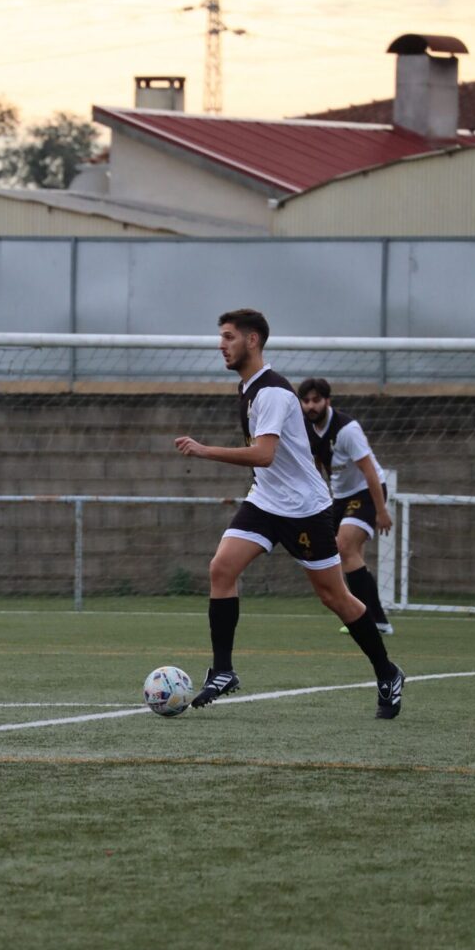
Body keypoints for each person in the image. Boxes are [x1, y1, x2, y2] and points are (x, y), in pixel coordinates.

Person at [174, 308, 404, 719]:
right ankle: (223, 670)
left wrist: (204, 450)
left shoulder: (273, 393)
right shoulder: (249, 388)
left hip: (304, 510)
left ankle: (387, 673)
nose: (221, 345)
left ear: (252, 340)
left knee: (334, 597)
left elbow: (264, 454)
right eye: (221, 337)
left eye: (228, 337)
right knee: (221, 568)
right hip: (265, 500)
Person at [297, 377, 394, 636]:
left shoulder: (347, 429)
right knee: (349, 557)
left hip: (366, 492)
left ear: (327, 401)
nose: (310, 406)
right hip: (339, 497)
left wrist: (381, 510)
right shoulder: (307, 429)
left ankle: (370, 619)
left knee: (345, 547)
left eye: (316, 400)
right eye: (305, 401)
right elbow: (316, 466)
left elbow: (369, 470)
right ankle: (373, 619)